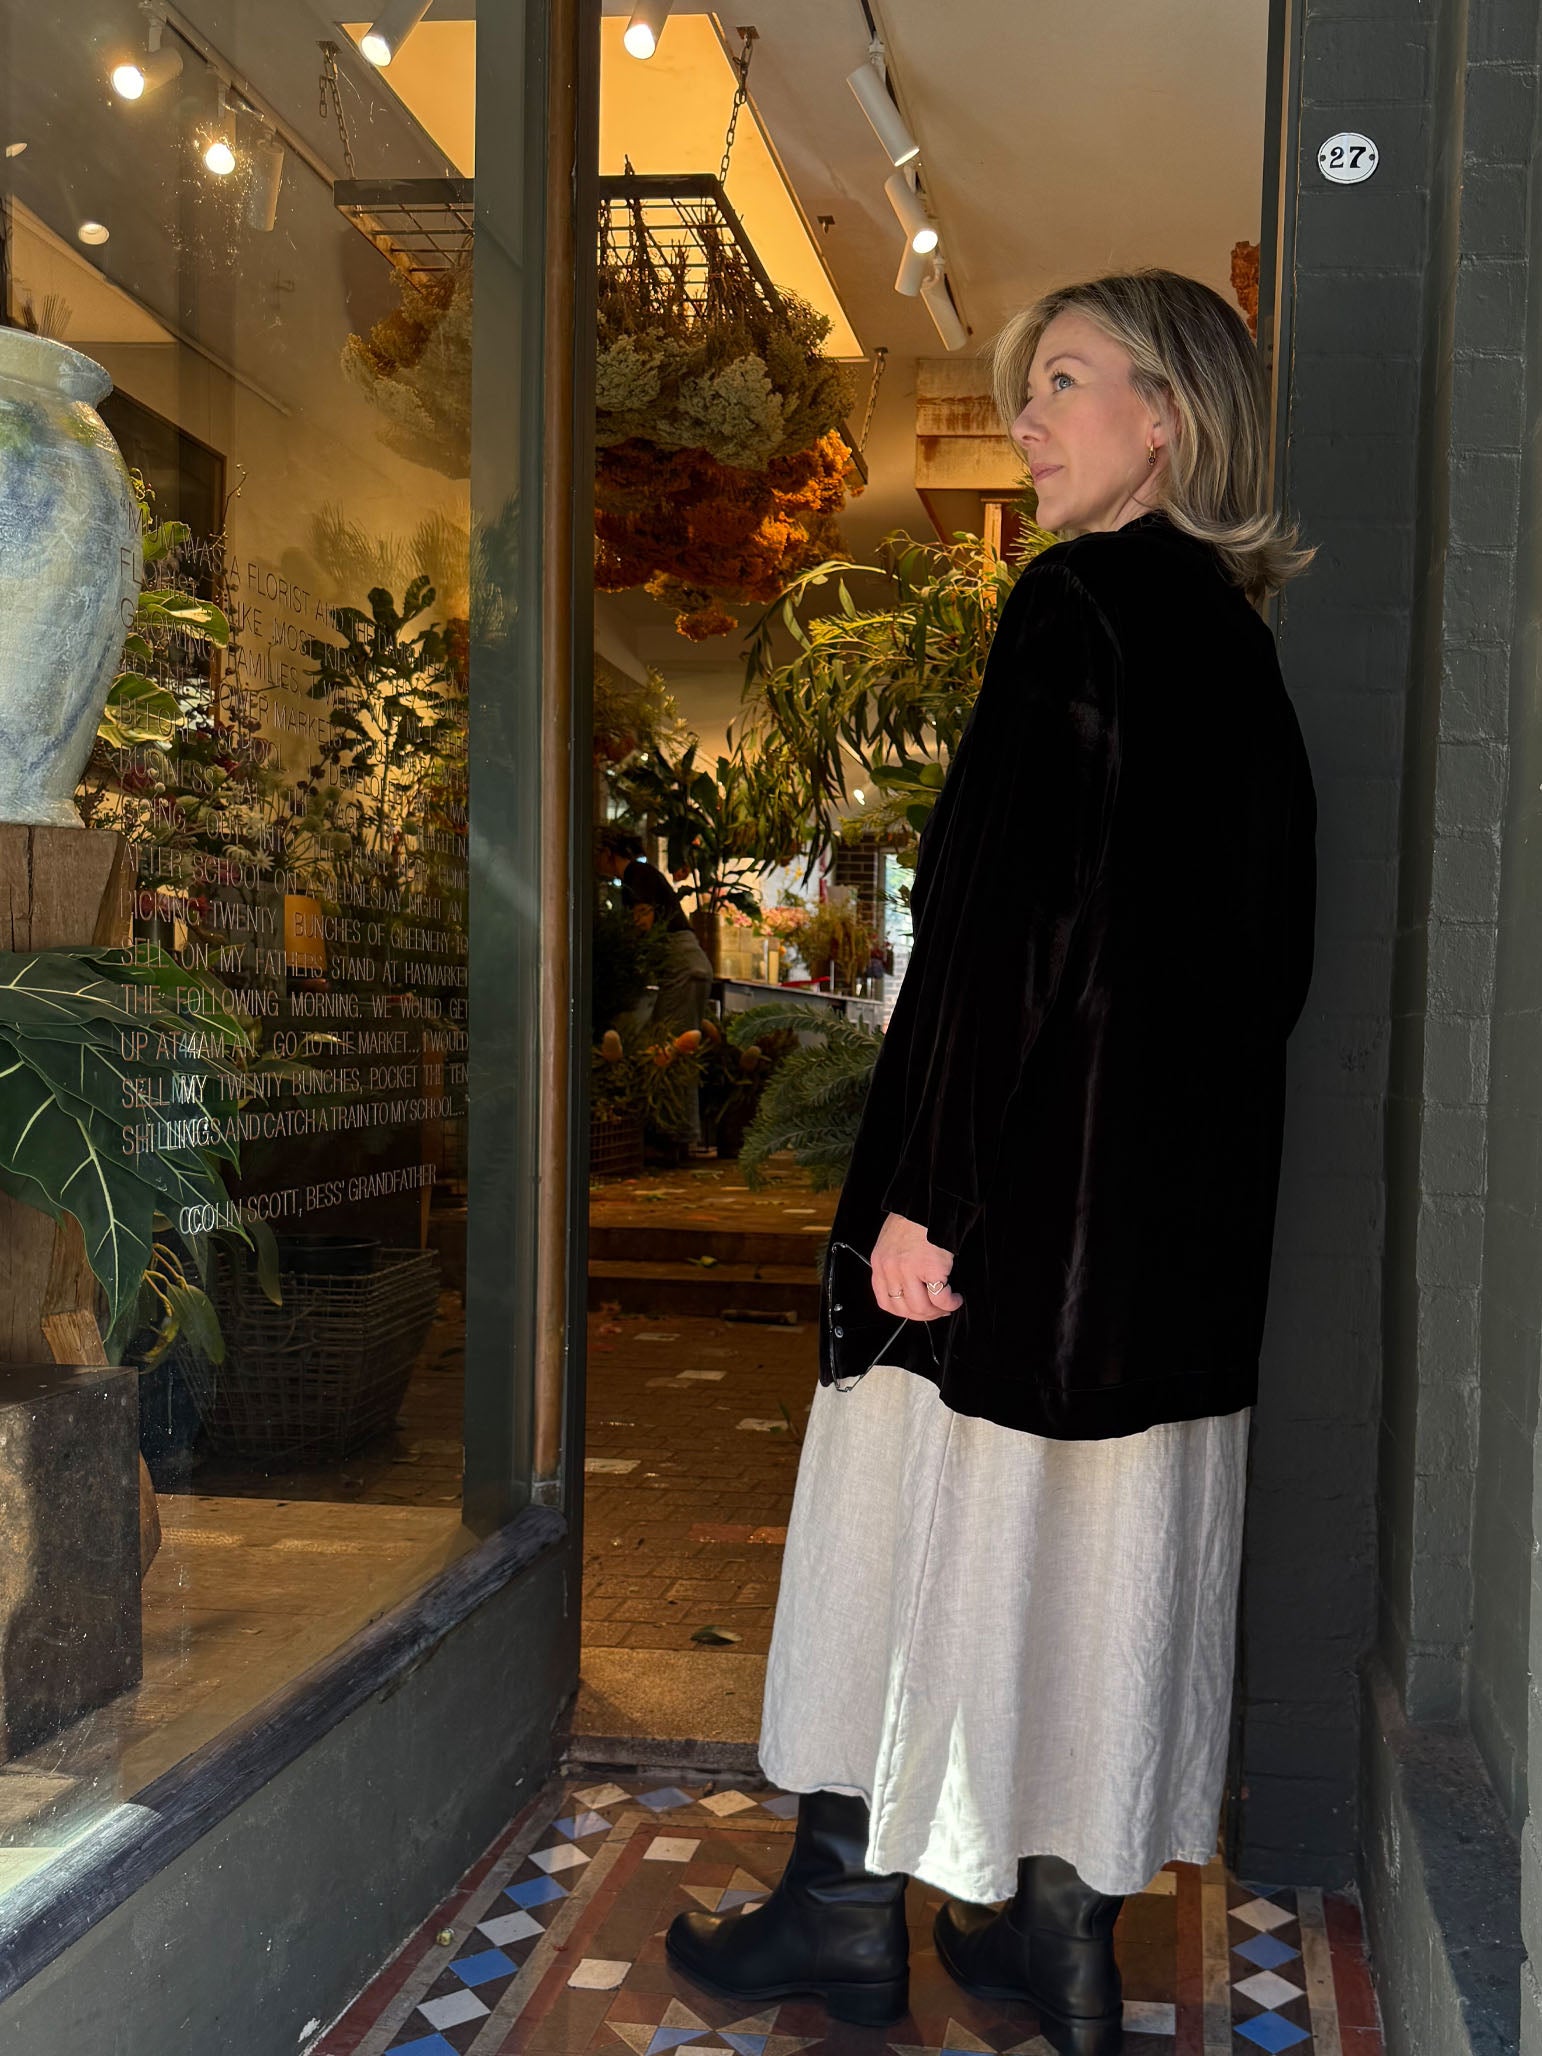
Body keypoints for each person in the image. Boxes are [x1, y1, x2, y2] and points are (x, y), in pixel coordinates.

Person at [665, 270, 1318, 2056]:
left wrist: (924, 1198)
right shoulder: (1243, 655)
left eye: (1062, 382)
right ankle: (1056, 1944)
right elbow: (1269, 980)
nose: (1022, 421)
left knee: (916, 1538)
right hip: (1170, 1262)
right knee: (1104, 1582)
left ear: (1164, 418)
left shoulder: (1076, 604)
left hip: (1015, 1230)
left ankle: (840, 1918)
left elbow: (1000, 933)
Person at [596, 826, 715, 1139]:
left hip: (681, 965)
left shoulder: (636, 875)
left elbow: (644, 919)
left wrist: (625, 950)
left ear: (608, 853)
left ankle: (673, 1136)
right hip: (692, 963)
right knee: (680, 1048)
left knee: (667, 1049)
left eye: (596, 856)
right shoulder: (644, 873)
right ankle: (681, 1134)